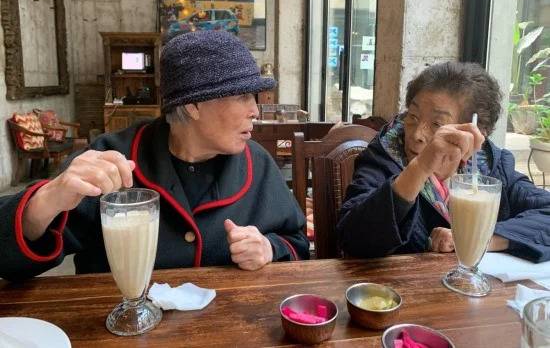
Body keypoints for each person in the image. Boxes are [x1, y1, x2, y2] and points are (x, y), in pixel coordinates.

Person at [0, 30, 309, 281]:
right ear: (193, 106)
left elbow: (296, 243)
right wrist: (47, 198)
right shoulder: (110, 159)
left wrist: (269, 248)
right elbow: (7, 260)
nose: (255, 110)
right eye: (242, 96)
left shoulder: (258, 164)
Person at [337, 62, 550, 263]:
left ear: (474, 132)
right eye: (412, 116)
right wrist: (420, 168)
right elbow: (353, 239)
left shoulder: (491, 165)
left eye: (437, 124)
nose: (417, 135)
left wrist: (481, 240)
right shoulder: (385, 155)